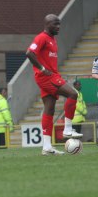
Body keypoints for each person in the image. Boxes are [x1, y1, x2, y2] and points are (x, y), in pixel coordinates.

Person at [26, 14, 82, 156]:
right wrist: (42, 69)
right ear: (47, 24)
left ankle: (46, 147)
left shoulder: (52, 39)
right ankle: (68, 128)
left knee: (49, 109)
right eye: (55, 24)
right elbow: (30, 53)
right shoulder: (41, 38)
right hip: (46, 76)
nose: (58, 27)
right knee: (73, 94)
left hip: (51, 75)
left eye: (59, 24)